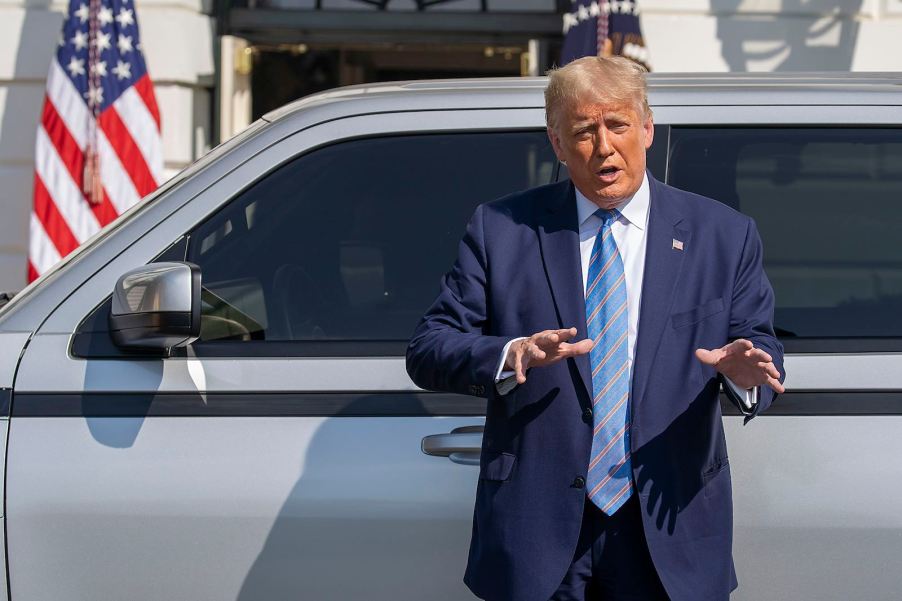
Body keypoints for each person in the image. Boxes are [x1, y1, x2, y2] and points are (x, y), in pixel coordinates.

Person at [406, 56, 784, 601]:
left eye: (618, 125)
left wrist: (746, 373)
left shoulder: (722, 235)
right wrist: (511, 353)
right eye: (584, 131)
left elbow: (760, 345)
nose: (603, 146)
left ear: (648, 128)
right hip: (539, 532)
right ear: (557, 144)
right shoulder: (503, 230)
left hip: (666, 523)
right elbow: (429, 348)